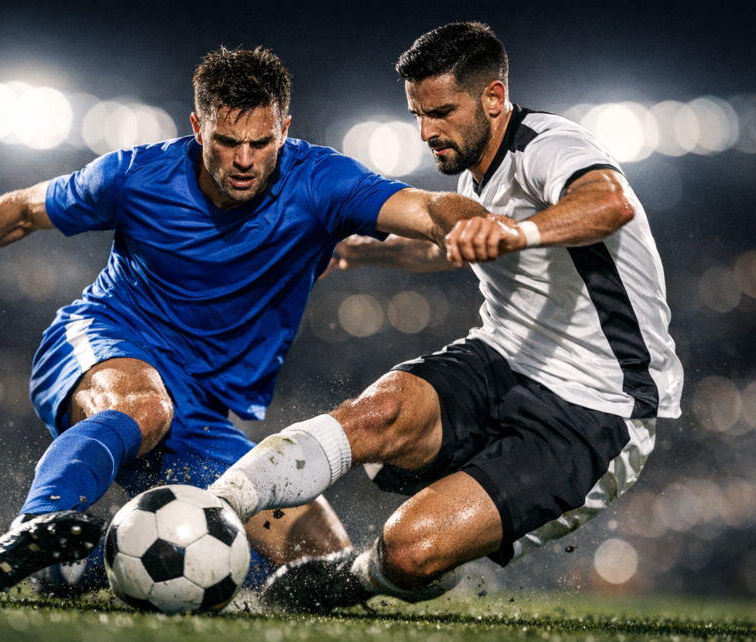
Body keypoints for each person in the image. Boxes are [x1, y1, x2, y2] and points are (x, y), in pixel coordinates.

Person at [0, 46, 487, 594]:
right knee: (145, 409)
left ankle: (82, 570)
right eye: (226, 142)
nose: (244, 159)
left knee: (315, 565)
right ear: (196, 127)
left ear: (285, 130)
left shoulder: (320, 182)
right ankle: (35, 527)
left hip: (200, 412)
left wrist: (482, 227)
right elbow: (21, 210)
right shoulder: (137, 174)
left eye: (261, 143)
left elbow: (429, 212)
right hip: (105, 343)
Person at [207, 22, 684, 611]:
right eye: (418, 114)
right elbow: (451, 246)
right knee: (375, 414)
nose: (428, 130)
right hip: (501, 359)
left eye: (442, 111)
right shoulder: (470, 171)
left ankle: (349, 578)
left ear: (493, 97)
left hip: (596, 407)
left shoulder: (548, 145)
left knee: (409, 552)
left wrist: (518, 233)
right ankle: (218, 503)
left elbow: (611, 202)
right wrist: (360, 250)